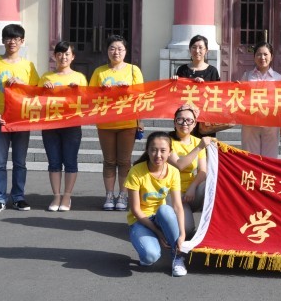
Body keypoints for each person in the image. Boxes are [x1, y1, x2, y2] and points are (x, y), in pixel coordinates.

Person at [0, 24, 40, 214]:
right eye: (8, 38)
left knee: (20, 162)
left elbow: (35, 92)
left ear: (22, 41)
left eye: (16, 38)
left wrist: (22, 84)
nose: (12, 42)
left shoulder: (28, 66)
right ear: (3, 40)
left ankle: (18, 197)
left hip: (21, 121)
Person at [89, 35, 144, 211]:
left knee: (124, 161)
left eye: (120, 49)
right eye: (112, 48)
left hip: (128, 123)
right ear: (107, 51)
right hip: (105, 123)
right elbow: (89, 96)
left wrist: (128, 90)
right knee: (109, 161)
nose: (116, 52)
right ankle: (109, 195)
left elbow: (141, 96)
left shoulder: (134, 70)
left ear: (126, 51)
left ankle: (123, 195)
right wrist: (101, 92)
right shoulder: (99, 72)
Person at [124, 131, 187, 276]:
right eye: (153, 150)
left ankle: (177, 256)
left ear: (170, 152)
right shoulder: (136, 171)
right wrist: (158, 233)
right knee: (150, 256)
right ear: (147, 150)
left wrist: (182, 234)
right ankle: (147, 248)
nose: (158, 155)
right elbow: (136, 210)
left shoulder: (173, 172)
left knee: (166, 210)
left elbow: (178, 206)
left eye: (163, 150)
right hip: (140, 221)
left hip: (160, 217)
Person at [39, 41, 87, 212]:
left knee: (70, 161)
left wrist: (78, 91)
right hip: (50, 125)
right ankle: (56, 196)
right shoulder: (46, 77)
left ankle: (67, 196)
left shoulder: (80, 77)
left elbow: (88, 102)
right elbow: (36, 101)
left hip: (72, 125)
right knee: (53, 162)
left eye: (67, 54)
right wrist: (44, 90)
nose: (63, 57)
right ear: (54, 56)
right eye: (60, 54)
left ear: (73, 57)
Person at [167, 104, 213, 237]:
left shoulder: (197, 141)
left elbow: (203, 171)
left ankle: (214, 227)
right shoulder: (166, 141)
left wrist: (193, 187)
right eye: (180, 120)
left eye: (189, 120)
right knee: (187, 230)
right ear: (174, 122)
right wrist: (199, 148)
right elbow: (179, 165)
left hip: (191, 192)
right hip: (172, 193)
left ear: (194, 124)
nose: (184, 123)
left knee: (212, 184)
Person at [172, 35, 232, 137]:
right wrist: (174, 82)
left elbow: (217, 95)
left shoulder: (212, 71)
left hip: (206, 119)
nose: (197, 51)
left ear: (206, 50)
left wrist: (204, 86)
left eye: (200, 47)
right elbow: (177, 93)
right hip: (186, 119)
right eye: (194, 47)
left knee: (205, 145)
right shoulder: (182, 70)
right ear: (190, 49)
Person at [240, 42, 281, 158]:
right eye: (259, 54)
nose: (262, 58)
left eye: (265, 54)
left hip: (271, 123)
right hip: (250, 123)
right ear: (254, 57)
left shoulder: (278, 78)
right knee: (250, 157)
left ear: (271, 57)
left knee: (270, 158)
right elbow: (240, 98)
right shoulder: (247, 76)